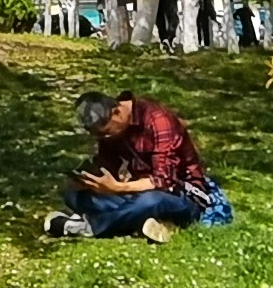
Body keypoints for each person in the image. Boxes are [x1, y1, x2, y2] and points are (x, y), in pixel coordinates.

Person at [45, 90, 231, 243]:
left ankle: (91, 227)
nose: (105, 139)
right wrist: (89, 181)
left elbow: (164, 181)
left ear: (117, 112)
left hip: (180, 196)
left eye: (106, 133)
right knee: (74, 195)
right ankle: (141, 222)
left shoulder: (158, 121)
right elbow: (108, 165)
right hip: (137, 193)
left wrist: (119, 188)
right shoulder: (113, 130)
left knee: (151, 201)